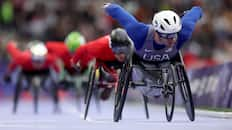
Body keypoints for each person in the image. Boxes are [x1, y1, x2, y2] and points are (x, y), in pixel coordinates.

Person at [103, 3, 203, 97]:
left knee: (162, 84)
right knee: (149, 90)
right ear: (157, 32)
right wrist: (109, 7)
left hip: (167, 62)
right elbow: (123, 16)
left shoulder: (184, 32)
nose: (172, 40)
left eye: (174, 35)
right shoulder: (139, 33)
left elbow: (194, 13)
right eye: (167, 36)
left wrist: (198, 11)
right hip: (142, 64)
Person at [71, 28, 133, 100]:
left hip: (123, 61)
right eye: (117, 50)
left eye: (123, 50)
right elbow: (82, 48)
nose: (121, 54)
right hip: (104, 60)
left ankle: (117, 79)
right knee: (96, 65)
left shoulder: (131, 45)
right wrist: (74, 62)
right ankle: (109, 78)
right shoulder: (99, 46)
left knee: (129, 64)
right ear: (112, 47)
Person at [4, 40, 61, 113]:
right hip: (27, 71)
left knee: (54, 81)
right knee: (18, 82)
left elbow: (56, 67)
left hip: (44, 71)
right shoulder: (22, 58)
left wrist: (59, 76)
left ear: (44, 59)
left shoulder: (50, 59)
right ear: (32, 58)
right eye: (36, 61)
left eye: (40, 61)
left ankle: (56, 104)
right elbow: (13, 59)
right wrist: (7, 74)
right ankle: (15, 105)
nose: (38, 64)